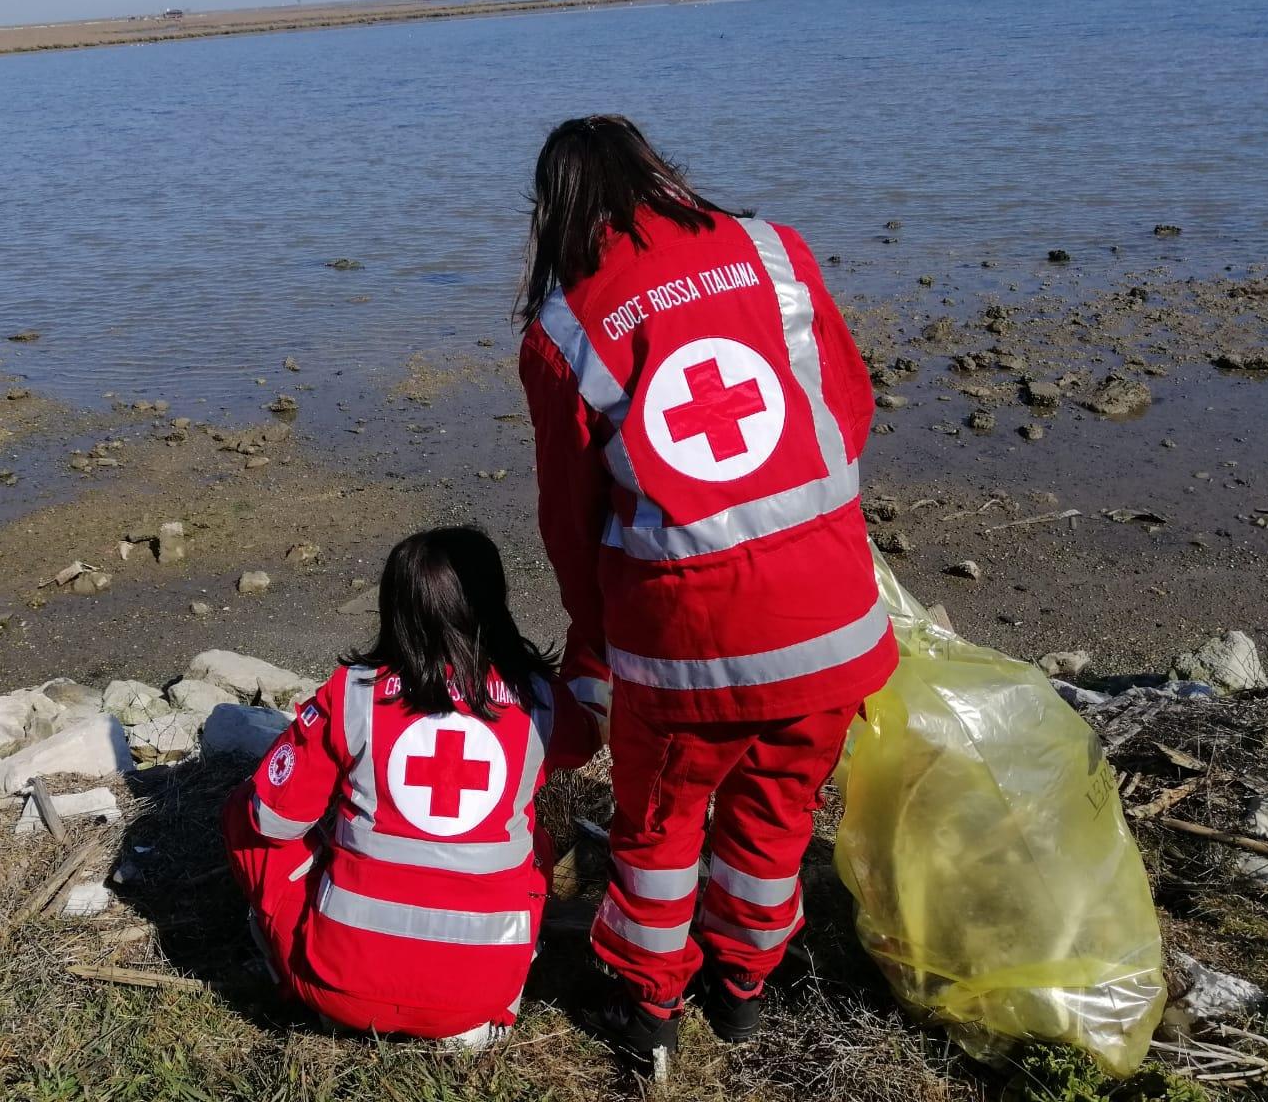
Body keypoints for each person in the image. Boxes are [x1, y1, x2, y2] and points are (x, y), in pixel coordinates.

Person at [517, 115, 898, 1073]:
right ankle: (741, 993)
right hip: (835, 622)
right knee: (778, 812)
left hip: (690, 650)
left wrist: (597, 637)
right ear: (658, 171)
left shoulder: (565, 328)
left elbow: (570, 520)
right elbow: (849, 410)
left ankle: (649, 1008)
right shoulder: (774, 251)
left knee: (658, 828)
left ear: (555, 210)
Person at [221, 526, 601, 1045]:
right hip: (479, 996)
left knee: (246, 811)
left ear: (394, 607)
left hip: (340, 989)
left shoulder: (354, 693)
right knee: (531, 842)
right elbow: (586, 738)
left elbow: (271, 820)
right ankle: (485, 998)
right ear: (494, 604)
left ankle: (297, 970)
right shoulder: (541, 700)